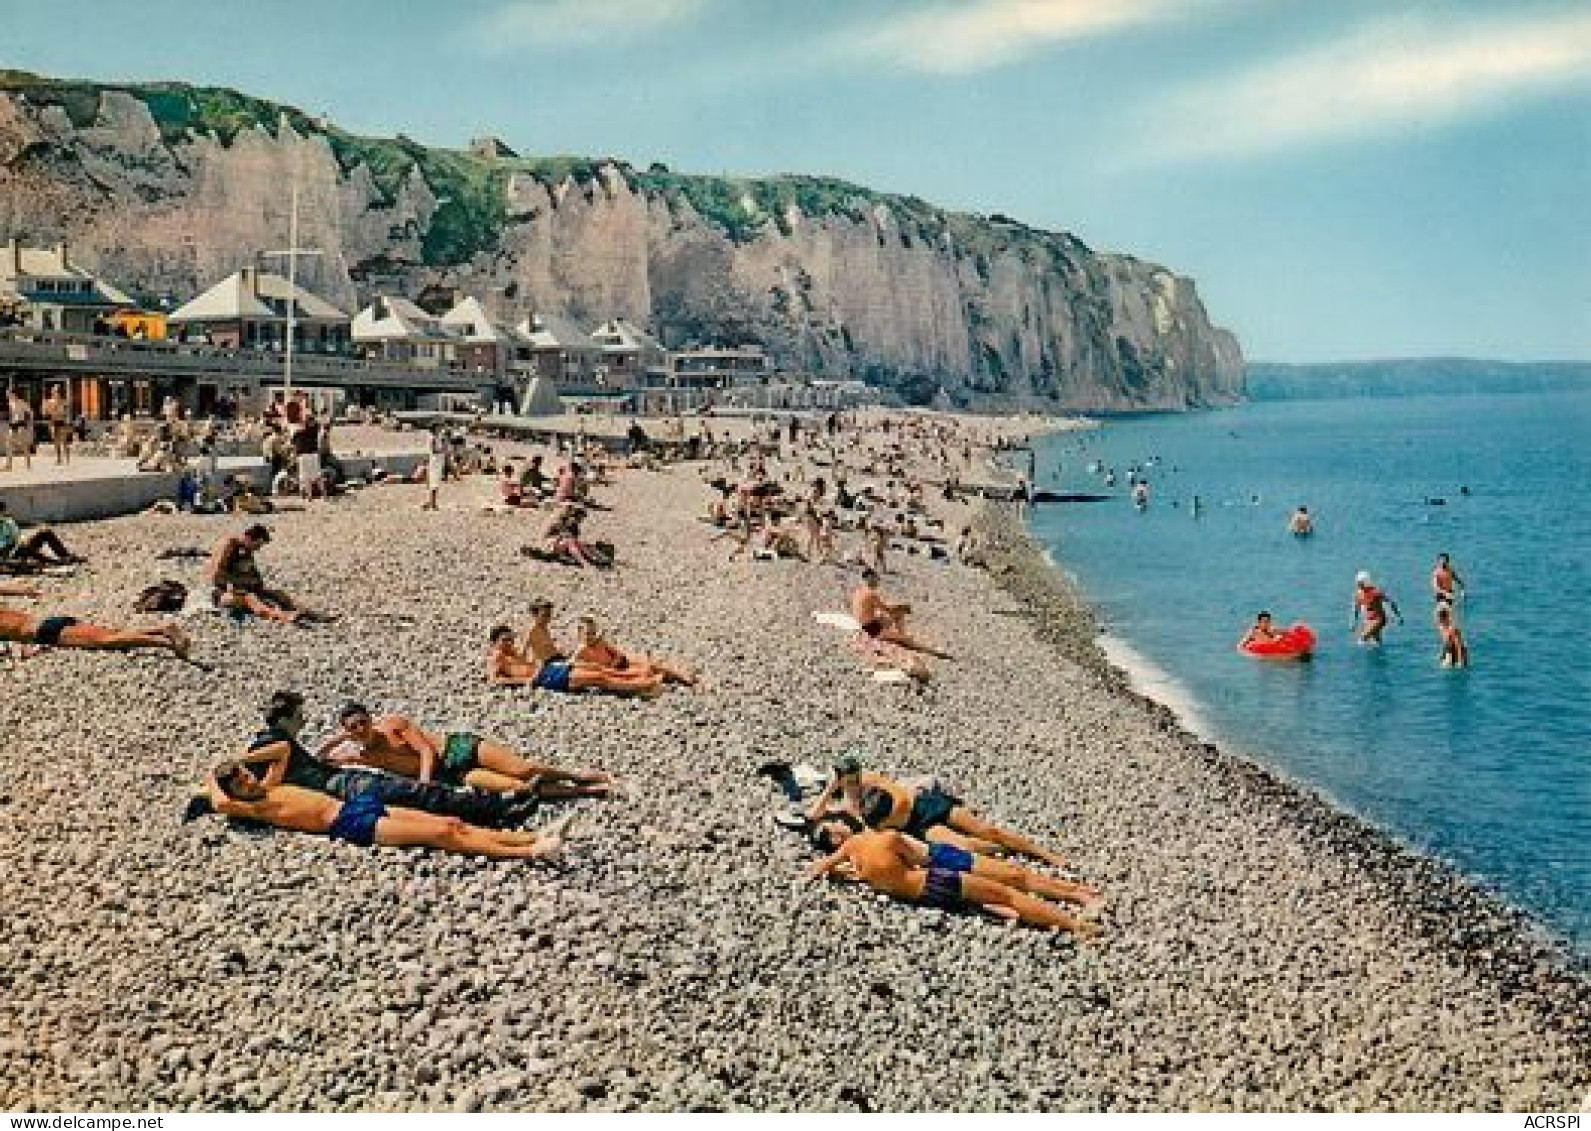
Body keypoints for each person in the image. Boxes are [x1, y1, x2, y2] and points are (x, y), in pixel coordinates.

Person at [211, 690, 543, 828]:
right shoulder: (273, 744)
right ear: (284, 719)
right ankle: (501, 811)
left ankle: (496, 812)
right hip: (342, 785)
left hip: (334, 792)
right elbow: (258, 761)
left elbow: (270, 780)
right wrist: (233, 764)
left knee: (417, 803)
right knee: (419, 795)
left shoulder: (271, 750)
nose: (304, 720)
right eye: (299, 715)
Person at [202, 761, 573, 860]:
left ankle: (535, 836)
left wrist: (239, 765)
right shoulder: (252, 807)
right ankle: (529, 853)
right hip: (349, 823)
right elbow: (218, 802)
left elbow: (281, 753)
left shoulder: (269, 785)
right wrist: (212, 778)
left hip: (357, 804)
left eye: (246, 774)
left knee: (451, 821)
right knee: (443, 835)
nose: (248, 781)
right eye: (239, 782)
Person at [807, 822, 1096, 936]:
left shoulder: (851, 858)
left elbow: (819, 868)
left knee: (1001, 892)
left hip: (927, 896)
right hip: (936, 874)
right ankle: (1074, 924)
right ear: (836, 835)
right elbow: (922, 860)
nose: (840, 822)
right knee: (1009, 890)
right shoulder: (884, 840)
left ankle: (1072, 902)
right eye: (835, 824)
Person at [807, 757, 1065, 867]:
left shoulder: (869, 779)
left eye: (847, 773)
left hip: (926, 804)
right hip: (918, 826)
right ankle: (1004, 849)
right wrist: (831, 787)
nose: (848, 777)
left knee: (988, 829)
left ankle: (1046, 855)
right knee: (967, 847)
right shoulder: (845, 811)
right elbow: (813, 816)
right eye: (843, 776)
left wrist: (844, 781)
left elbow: (898, 787)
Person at [322, 701, 613, 798]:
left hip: (457, 750)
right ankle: (582, 792)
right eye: (353, 727)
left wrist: (424, 783)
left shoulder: (393, 725)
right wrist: (337, 739)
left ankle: (577, 775)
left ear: (370, 719)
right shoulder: (359, 755)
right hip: (452, 775)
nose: (360, 729)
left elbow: (425, 751)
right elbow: (321, 758)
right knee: (518, 787)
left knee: (523, 768)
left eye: (362, 722)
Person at [0, 593, 194, 662]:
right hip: (53, 620)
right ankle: (162, 629)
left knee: (106, 641)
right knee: (112, 634)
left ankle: (165, 644)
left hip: (45, 632)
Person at [486, 624, 663, 697]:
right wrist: (524, 681)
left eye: (510, 638)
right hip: (545, 679)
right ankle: (643, 685)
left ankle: (638, 681)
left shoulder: (511, 652)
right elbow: (494, 680)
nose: (509, 642)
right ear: (495, 642)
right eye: (504, 640)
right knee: (599, 680)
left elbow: (524, 663)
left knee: (599, 672)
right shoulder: (497, 656)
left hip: (549, 670)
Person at [207, 524, 331, 624]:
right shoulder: (227, 546)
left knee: (278, 594)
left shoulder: (245, 549)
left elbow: (253, 574)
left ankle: (310, 614)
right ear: (248, 538)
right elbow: (215, 576)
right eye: (257, 545)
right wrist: (243, 582)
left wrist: (255, 582)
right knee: (250, 598)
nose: (258, 549)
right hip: (221, 592)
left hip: (241, 587)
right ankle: (282, 616)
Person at [849, 568, 950, 658]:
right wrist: (903, 607)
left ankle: (901, 634)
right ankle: (911, 642)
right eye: (876, 579)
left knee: (896, 614)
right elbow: (887, 609)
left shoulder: (858, 591)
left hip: (864, 624)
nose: (878, 582)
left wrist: (899, 609)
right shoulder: (871, 594)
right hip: (872, 629)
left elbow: (873, 610)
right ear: (870, 578)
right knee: (907, 639)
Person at [575, 613, 697, 686]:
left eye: (593, 633)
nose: (591, 636)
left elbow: (618, 654)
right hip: (612, 672)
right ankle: (663, 679)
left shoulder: (600, 642)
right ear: (580, 634)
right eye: (588, 633)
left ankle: (680, 676)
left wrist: (615, 662)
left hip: (620, 662)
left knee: (651, 663)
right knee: (643, 672)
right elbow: (578, 667)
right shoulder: (581, 651)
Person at [0, 501, 83, 568]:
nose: (4, 514)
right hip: (10, 552)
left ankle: (65, 556)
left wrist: (24, 540)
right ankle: (53, 562)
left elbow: (17, 535)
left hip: (18, 545)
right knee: (25, 548)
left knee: (45, 532)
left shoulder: (9, 521)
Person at [1351, 571, 1403, 645]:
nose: (1358, 584)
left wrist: (1398, 616)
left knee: (1362, 638)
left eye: (1360, 583)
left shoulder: (1376, 592)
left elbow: (1391, 602)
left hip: (1379, 619)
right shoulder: (1358, 594)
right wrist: (1354, 623)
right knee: (1376, 641)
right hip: (1368, 620)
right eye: (1358, 583)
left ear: (1365, 582)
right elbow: (1356, 609)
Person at [292, 413, 322, 501]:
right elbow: (318, 423)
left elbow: (293, 444)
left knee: (305, 476)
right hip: (314, 454)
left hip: (303, 455)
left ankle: (309, 496)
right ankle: (324, 495)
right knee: (317, 476)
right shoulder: (315, 430)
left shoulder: (298, 432)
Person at [6, 387, 33, 472]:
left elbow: (30, 412)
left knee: (23, 444)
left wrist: (29, 422)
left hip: (21, 423)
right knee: (9, 443)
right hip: (13, 424)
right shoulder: (11, 403)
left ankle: (28, 464)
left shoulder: (21, 402)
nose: (7, 395)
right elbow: (12, 414)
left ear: (13, 394)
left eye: (9, 394)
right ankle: (9, 465)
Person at [42, 386, 70, 466]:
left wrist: (59, 410)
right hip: (53, 422)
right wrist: (46, 409)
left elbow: (65, 413)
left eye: (56, 391)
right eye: (53, 390)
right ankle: (58, 459)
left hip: (61, 422)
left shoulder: (63, 402)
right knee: (56, 441)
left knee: (64, 441)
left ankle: (67, 458)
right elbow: (45, 413)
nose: (54, 392)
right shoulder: (49, 401)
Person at [423, 426, 446, 510]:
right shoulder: (433, 438)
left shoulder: (436, 438)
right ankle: (432, 503)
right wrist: (443, 450)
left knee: (434, 482)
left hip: (437, 461)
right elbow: (434, 450)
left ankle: (431, 502)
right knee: (434, 482)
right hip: (435, 461)